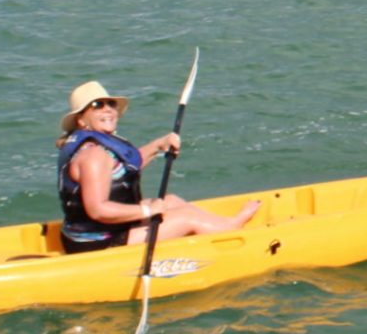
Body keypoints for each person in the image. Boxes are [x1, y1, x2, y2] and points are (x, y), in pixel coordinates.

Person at [55, 79, 258, 254]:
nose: (107, 108)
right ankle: (232, 228)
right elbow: (98, 210)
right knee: (188, 217)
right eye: (97, 105)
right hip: (99, 243)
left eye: (111, 103)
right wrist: (146, 210)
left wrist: (158, 145)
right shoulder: (94, 155)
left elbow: (124, 170)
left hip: (105, 231)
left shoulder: (97, 147)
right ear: (81, 119)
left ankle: (215, 229)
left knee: (171, 201)